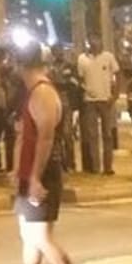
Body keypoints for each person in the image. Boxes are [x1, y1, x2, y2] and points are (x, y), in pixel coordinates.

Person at [12, 40, 93, 264]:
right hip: (30, 173)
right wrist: (18, 171)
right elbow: (25, 136)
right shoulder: (34, 90)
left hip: (42, 173)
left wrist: (34, 177)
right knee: (29, 234)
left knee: (41, 236)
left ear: (19, 64)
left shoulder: (43, 92)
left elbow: (45, 138)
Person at [77, 34, 120, 175]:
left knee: (107, 135)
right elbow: (80, 79)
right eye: (91, 39)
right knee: (92, 135)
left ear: (101, 41)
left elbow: (117, 75)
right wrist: (86, 90)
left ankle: (108, 167)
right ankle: (96, 167)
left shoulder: (108, 57)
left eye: (97, 39)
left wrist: (114, 95)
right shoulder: (82, 59)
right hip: (89, 101)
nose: (94, 42)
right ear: (88, 41)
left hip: (106, 100)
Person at [49, 44, 82, 172]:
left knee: (67, 134)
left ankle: (70, 162)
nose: (59, 53)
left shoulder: (69, 66)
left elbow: (74, 83)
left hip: (66, 103)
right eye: (56, 51)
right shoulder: (49, 67)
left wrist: (64, 82)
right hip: (53, 102)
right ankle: (59, 163)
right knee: (55, 135)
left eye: (60, 51)